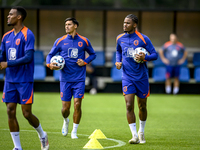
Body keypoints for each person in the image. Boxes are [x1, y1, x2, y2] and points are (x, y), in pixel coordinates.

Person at [0, 6, 49, 150]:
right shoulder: (6, 36)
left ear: (19, 17)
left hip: (24, 80)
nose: (8, 16)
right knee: (10, 110)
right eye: (8, 14)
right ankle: (17, 147)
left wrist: (7, 63)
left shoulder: (28, 34)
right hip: (10, 80)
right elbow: (2, 55)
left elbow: (28, 57)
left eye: (11, 14)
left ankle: (42, 134)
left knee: (26, 113)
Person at [46, 17, 96, 139]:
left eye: (69, 24)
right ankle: (66, 120)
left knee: (77, 104)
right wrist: (49, 64)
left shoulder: (84, 40)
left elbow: (93, 54)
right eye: (65, 25)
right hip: (65, 79)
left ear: (75, 26)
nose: (66, 26)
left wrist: (84, 62)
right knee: (65, 109)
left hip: (79, 79)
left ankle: (74, 131)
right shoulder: (60, 41)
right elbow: (50, 55)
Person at [115, 14, 158, 144]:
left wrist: (145, 58)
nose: (124, 25)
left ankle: (141, 132)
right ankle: (134, 136)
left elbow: (155, 55)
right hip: (127, 76)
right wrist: (118, 61)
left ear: (134, 25)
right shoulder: (119, 38)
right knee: (129, 105)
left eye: (128, 23)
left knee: (142, 106)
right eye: (124, 22)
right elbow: (118, 51)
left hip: (142, 77)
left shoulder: (143, 39)